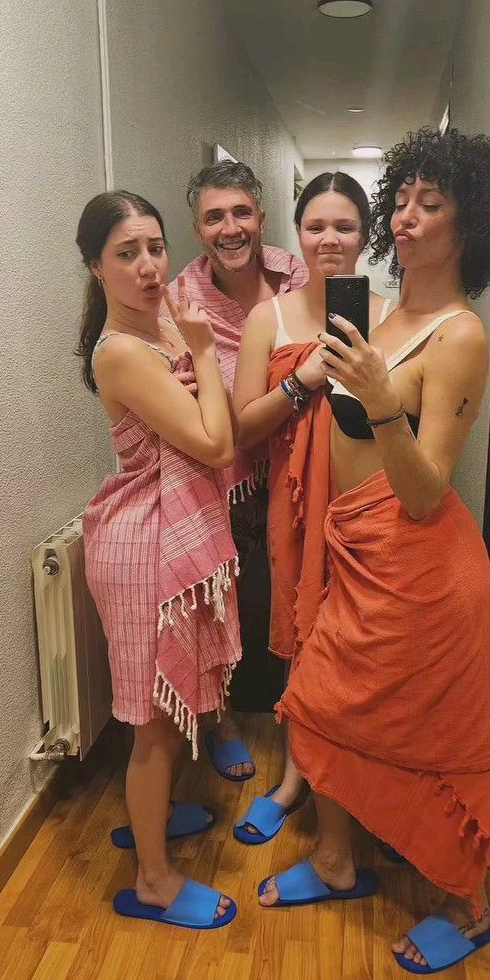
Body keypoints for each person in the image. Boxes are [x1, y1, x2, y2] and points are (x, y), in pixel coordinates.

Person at [258, 128, 490, 976]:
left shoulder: (460, 336)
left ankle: (471, 906)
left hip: (421, 572)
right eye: (403, 199)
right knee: (320, 706)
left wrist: (381, 401)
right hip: (355, 555)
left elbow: (425, 491)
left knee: (434, 740)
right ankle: (337, 862)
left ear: (470, 222)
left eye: (432, 203)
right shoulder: (380, 315)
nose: (408, 216)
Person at [77, 190, 240, 932]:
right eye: (126, 253)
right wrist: (203, 351)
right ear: (96, 267)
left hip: (162, 534)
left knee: (169, 715)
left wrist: (194, 343)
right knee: (153, 725)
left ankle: (155, 820)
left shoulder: (161, 326)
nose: (148, 266)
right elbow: (215, 443)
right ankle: (152, 879)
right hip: (144, 546)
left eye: (155, 247)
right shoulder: (120, 351)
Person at [231, 171, 391, 844]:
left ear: (365, 235)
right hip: (292, 508)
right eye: (316, 226)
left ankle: (354, 779)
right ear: (297, 233)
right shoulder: (266, 318)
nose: (329, 239)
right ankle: (297, 776)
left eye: (344, 226)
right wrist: (303, 380)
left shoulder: (390, 316)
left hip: (365, 505)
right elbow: (243, 426)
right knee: (302, 638)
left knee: (358, 645)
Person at [179, 160, 308, 780]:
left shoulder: (295, 276)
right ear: (198, 230)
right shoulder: (183, 298)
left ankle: (302, 719)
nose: (229, 228)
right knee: (219, 602)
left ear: (261, 215)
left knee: (288, 596)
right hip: (221, 476)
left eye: (240, 213)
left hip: (292, 463)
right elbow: (176, 378)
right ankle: (221, 721)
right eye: (214, 217)